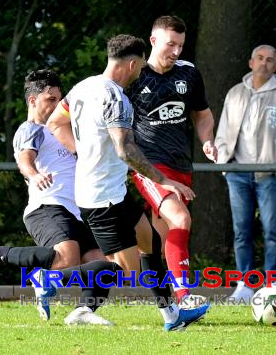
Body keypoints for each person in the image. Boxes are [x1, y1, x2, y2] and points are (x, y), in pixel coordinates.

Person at [47, 34, 210, 331]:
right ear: (133, 63)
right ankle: (51, 279)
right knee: (125, 271)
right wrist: (163, 180)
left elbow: (55, 122)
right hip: (101, 197)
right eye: (139, 67)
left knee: (150, 242)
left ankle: (172, 316)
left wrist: (82, 152)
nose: (140, 72)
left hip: (111, 191)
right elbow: (126, 150)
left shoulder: (84, 86)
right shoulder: (116, 98)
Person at [0, 69, 113, 325]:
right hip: (47, 206)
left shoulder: (65, 129)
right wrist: (34, 174)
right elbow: (24, 158)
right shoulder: (32, 129)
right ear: (32, 101)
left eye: (59, 99)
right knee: (68, 256)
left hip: (79, 211)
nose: (56, 104)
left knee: (105, 266)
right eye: (50, 99)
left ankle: (84, 312)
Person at [126, 16, 218, 306]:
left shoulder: (188, 74)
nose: (176, 51)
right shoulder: (134, 76)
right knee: (181, 219)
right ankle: (185, 297)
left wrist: (208, 141)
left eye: (180, 45)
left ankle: (169, 308)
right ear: (153, 41)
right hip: (149, 167)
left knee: (164, 241)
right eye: (170, 44)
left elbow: (202, 115)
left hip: (181, 167)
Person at [214, 45, 276, 304]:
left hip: (270, 174)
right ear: (251, 62)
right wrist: (223, 162)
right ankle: (244, 284)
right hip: (237, 173)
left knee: (272, 231)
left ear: (275, 67)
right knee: (241, 230)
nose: (264, 63)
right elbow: (223, 132)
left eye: (270, 60)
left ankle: (273, 285)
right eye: (260, 58)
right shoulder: (235, 93)